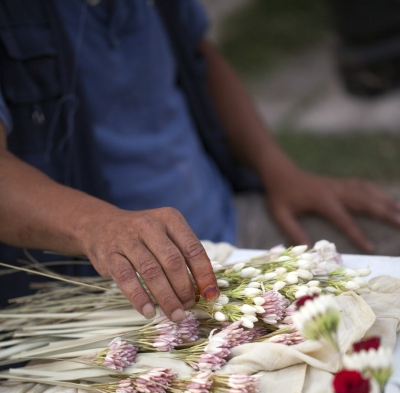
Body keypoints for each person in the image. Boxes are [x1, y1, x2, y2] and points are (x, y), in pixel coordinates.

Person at [0, 0, 399, 320]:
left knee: (387, 248)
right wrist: (96, 227)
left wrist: (278, 169)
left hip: (228, 221)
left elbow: (199, 56)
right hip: (111, 286)